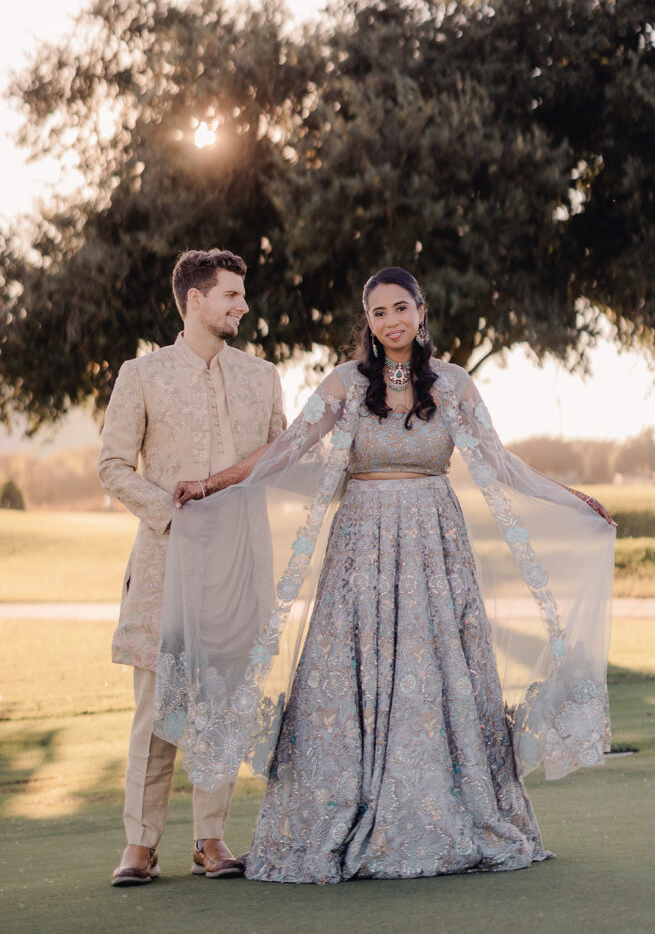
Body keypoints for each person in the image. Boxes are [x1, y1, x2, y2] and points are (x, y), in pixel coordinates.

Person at [156, 266, 616, 884]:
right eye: (378, 313)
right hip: (361, 552)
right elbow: (285, 448)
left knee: (437, 677)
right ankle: (340, 813)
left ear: (421, 311)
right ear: (367, 323)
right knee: (350, 677)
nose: (391, 321)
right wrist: (211, 485)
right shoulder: (345, 384)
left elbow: (501, 463)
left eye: (401, 308)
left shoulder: (453, 384)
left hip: (435, 547)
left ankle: (455, 813)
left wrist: (572, 498)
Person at [98, 248, 285, 886]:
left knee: (225, 708)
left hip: (237, 568)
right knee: (156, 714)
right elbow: (113, 465)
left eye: (242, 294)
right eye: (231, 294)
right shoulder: (141, 375)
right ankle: (139, 846)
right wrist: (175, 513)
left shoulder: (263, 378)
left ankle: (211, 839)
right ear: (195, 299)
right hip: (164, 567)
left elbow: (280, 459)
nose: (242, 304)